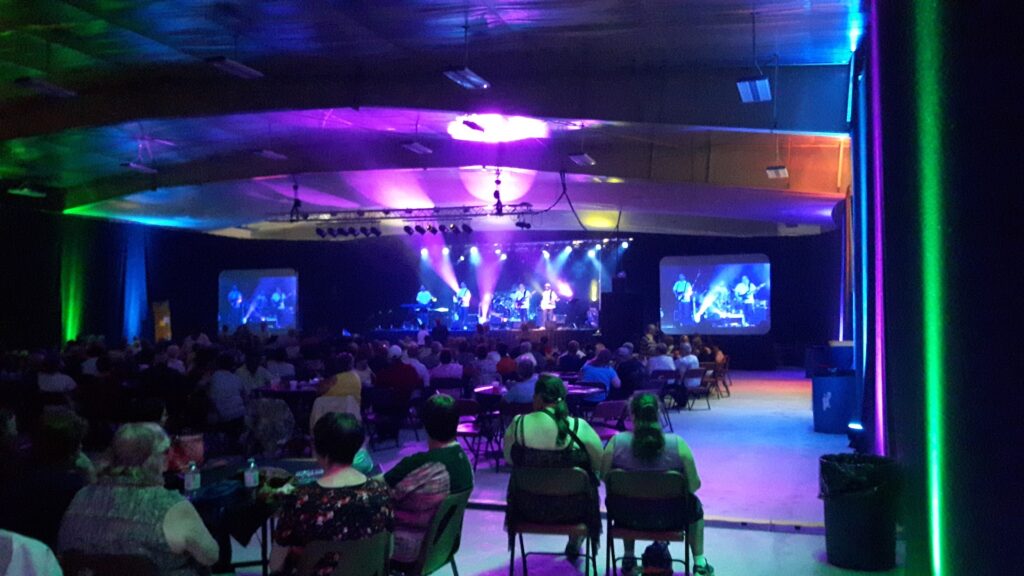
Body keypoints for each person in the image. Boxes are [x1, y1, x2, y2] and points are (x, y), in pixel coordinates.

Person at [59, 423, 219, 575]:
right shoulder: (170, 505)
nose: (169, 456)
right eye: (166, 451)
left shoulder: (82, 495)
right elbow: (210, 556)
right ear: (157, 458)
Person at [601, 394, 713, 575]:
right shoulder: (678, 444)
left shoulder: (616, 443)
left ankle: (628, 556)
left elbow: (604, 477)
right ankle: (699, 562)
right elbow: (693, 486)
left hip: (627, 517)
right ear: (658, 414)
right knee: (695, 505)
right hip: (671, 518)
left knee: (624, 501)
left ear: (632, 415)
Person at [271, 414, 392, 575]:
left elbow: (276, 564)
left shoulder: (300, 500)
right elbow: (388, 550)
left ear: (320, 450)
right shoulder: (381, 492)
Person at [503, 375, 603, 560]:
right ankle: (575, 538)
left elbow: (509, 459)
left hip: (527, 510)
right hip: (574, 512)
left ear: (537, 398)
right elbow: (599, 465)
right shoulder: (579, 426)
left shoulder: (518, 424)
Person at [384, 395, 473, 565]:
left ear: (425, 425)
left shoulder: (420, 464)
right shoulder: (464, 461)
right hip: (442, 548)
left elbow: (376, 492)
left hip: (408, 549)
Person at [205, 353, 247, 433]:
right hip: (240, 415)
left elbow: (209, 397)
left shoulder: (213, 377)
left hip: (222, 417)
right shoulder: (237, 378)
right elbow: (245, 398)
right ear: (233, 366)